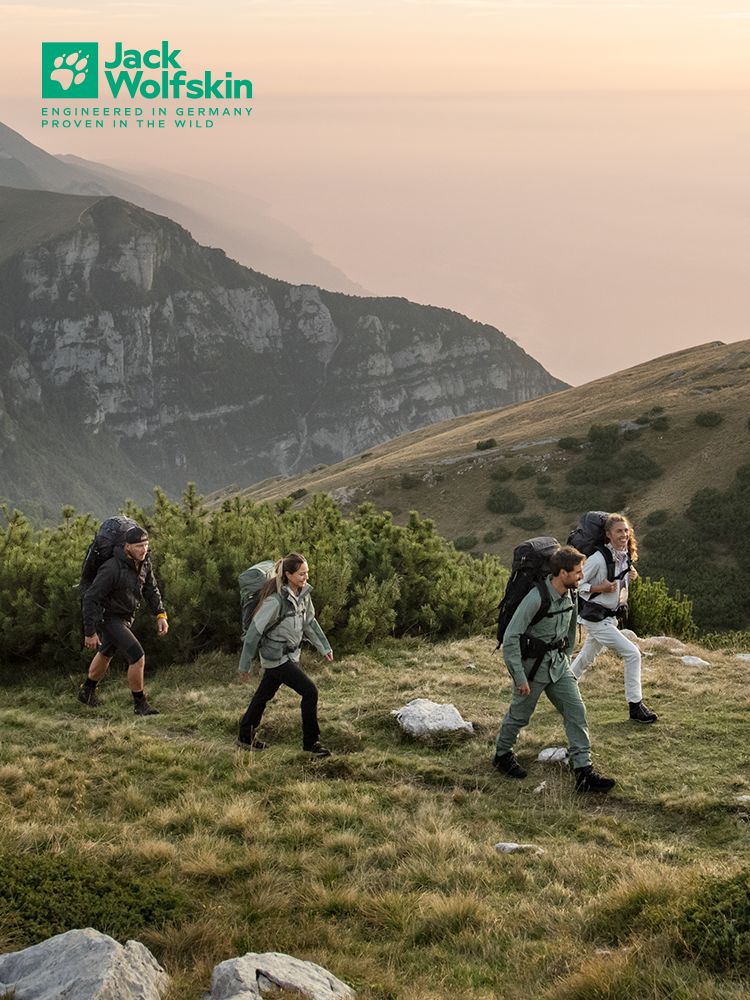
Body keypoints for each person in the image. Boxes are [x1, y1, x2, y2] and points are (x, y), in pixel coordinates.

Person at [493, 545, 615, 793]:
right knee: (520, 716)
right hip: (532, 670)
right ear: (562, 573)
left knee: (576, 711)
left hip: (558, 667)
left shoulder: (570, 595)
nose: (582, 576)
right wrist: (519, 676)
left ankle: (583, 772)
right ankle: (502, 755)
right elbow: (512, 636)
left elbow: (570, 630)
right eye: (578, 572)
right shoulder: (536, 598)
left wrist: (566, 657)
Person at [237, 552, 333, 757]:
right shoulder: (275, 601)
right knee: (310, 691)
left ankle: (245, 735)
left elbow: (310, 623)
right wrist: (244, 665)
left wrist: (324, 647)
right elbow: (253, 633)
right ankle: (311, 744)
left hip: (291, 656)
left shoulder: (303, 596)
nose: (306, 577)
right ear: (288, 575)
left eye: (307, 573)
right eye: (301, 574)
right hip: (276, 657)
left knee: (264, 694)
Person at [570, 513, 657, 723]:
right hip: (596, 618)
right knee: (633, 654)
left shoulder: (624, 555)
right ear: (608, 535)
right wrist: (600, 587)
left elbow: (619, 581)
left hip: (609, 618)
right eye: (619, 531)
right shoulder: (599, 558)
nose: (624, 535)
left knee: (586, 657)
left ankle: (565, 687)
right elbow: (577, 584)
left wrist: (630, 574)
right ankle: (635, 706)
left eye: (626, 530)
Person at [78, 525, 168, 715]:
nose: (143, 549)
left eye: (146, 545)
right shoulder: (111, 568)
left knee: (106, 653)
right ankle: (140, 704)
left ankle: (87, 691)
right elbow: (90, 597)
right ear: (127, 547)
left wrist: (160, 614)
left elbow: (150, 589)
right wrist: (90, 632)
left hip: (126, 616)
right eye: (138, 546)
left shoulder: (144, 562)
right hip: (108, 617)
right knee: (137, 655)